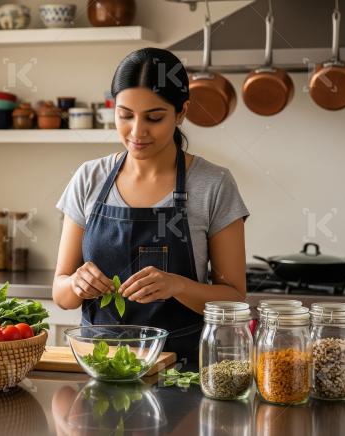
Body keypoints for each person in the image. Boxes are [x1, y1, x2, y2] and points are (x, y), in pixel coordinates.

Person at [52, 47, 250, 369]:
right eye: (125, 115)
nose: (137, 132)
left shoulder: (213, 184)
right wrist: (76, 283)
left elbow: (236, 300)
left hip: (180, 371)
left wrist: (178, 286)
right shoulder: (89, 177)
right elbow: (61, 292)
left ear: (181, 112)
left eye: (154, 118)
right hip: (98, 367)